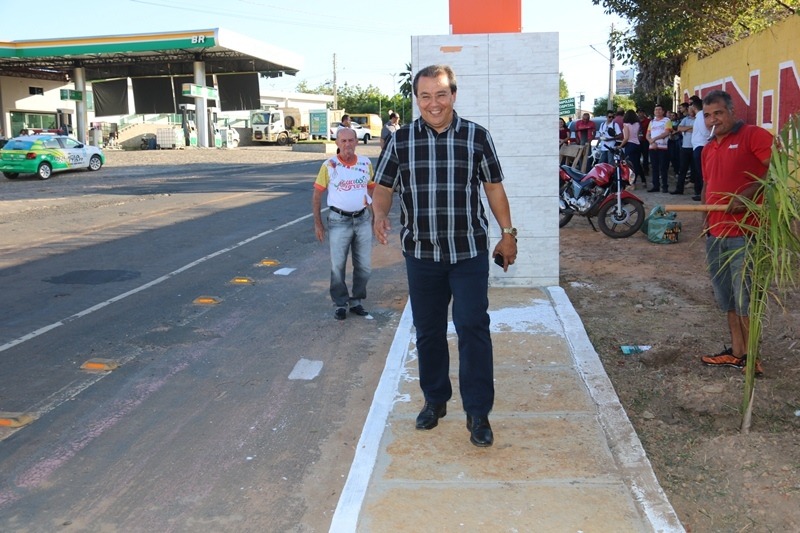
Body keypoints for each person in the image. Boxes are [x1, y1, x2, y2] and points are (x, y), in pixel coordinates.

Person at [372, 64, 517, 448]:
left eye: (440, 94)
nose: (433, 103)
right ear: (416, 99)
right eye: (425, 96)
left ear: (453, 95)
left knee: (472, 327)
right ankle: (435, 401)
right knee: (429, 332)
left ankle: (478, 412)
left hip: (467, 252)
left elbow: (494, 188)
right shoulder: (400, 141)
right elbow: (384, 185)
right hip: (421, 254)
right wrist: (380, 212)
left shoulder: (476, 137)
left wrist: (508, 234)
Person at [699, 90, 773, 376]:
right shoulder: (708, 148)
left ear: (731, 112)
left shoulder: (753, 135)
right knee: (726, 297)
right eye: (707, 115)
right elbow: (707, 185)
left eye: (718, 113)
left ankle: (752, 356)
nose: (713, 119)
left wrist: (749, 192)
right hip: (715, 233)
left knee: (745, 297)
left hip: (746, 233)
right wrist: (705, 220)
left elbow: (775, 170)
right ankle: (737, 352)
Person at [312, 127, 375, 320]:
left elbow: (372, 187)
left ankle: (356, 301)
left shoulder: (365, 163)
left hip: (363, 219)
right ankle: (340, 303)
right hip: (339, 221)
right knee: (337, 265)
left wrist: (373, 212)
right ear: (337, 143)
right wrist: (318, 224)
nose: (348, 145)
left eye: (351, 140)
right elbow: (317, 195)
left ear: (357, 142)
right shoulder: (329, 165)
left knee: (364, 265)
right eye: (343, 141)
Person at [645, 104, 672, 192]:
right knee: (654, 167)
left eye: (659, 110)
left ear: (663, 111)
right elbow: (647, 134)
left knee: (663, 168)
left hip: (663, 147)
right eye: (656, 110)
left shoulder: (667, 120)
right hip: (652, 147)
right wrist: (651, 142)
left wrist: (655, 139)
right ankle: (655, 186)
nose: (657, 111)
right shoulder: (652, 122)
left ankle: (665, 186)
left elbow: (667, 133)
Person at [671, 102, 695, 194]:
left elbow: (696, 129)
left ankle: (697, 190)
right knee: (682, 169)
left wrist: (686, 128)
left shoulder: (699, 119)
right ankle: (679, 189)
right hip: (685, 147)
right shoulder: (685, 119)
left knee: (695, 169)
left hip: (694, 147)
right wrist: (690, 128)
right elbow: (680, 128)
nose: (690, 111)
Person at [689, 95, 709, 201]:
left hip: (701, 146)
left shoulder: (701, 116)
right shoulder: (699, 116)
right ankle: (701, 193)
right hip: (698, 146)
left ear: (693, 107)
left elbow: (705, 132)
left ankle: (704, 194)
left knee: (702, 172)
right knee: (699, 172)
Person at [618, 109, 644, 186]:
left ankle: (632, 182)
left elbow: (626, 138)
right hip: (637, 144)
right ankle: (643, 180)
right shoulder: (637, 124)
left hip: (630, 145)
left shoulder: (626, 125)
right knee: (637, 164)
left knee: (630, 165)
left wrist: (620, 146)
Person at [637, 110, 651, 176]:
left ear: (643, 113)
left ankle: (646, 170)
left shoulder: (648, 121)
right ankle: (638, 170)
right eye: (638, 112)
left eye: (641, 112)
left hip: (645, 140)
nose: (640, 114)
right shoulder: (636, 121)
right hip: (638, 140)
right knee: (637, 156)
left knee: (645, 156)